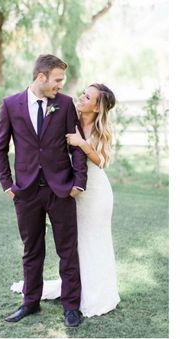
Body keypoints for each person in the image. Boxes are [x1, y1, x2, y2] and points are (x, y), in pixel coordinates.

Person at [0, 54, 87, 327]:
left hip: (61, 189)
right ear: (41, 77)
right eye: (57, 80)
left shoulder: (66, 104)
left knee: (67, 251)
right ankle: (30, 302)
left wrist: (78, 182)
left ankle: (71, 306)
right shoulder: (11, 105)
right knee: (31, 250)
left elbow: (76, 146)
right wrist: (8, 186)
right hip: (26, 192)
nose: (61, 85)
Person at [11, 83, 120, 317]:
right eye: (83, 93)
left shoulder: (102, 131)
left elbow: (101, 161)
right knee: (75, 243)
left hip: (96, 193)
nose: (81, 97)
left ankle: (97, 294)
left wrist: (81, 143)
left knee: (95, 241)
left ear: (97, 107)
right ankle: (75, 290)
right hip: (69, 189)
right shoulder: (69, 116)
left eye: (87, 97)